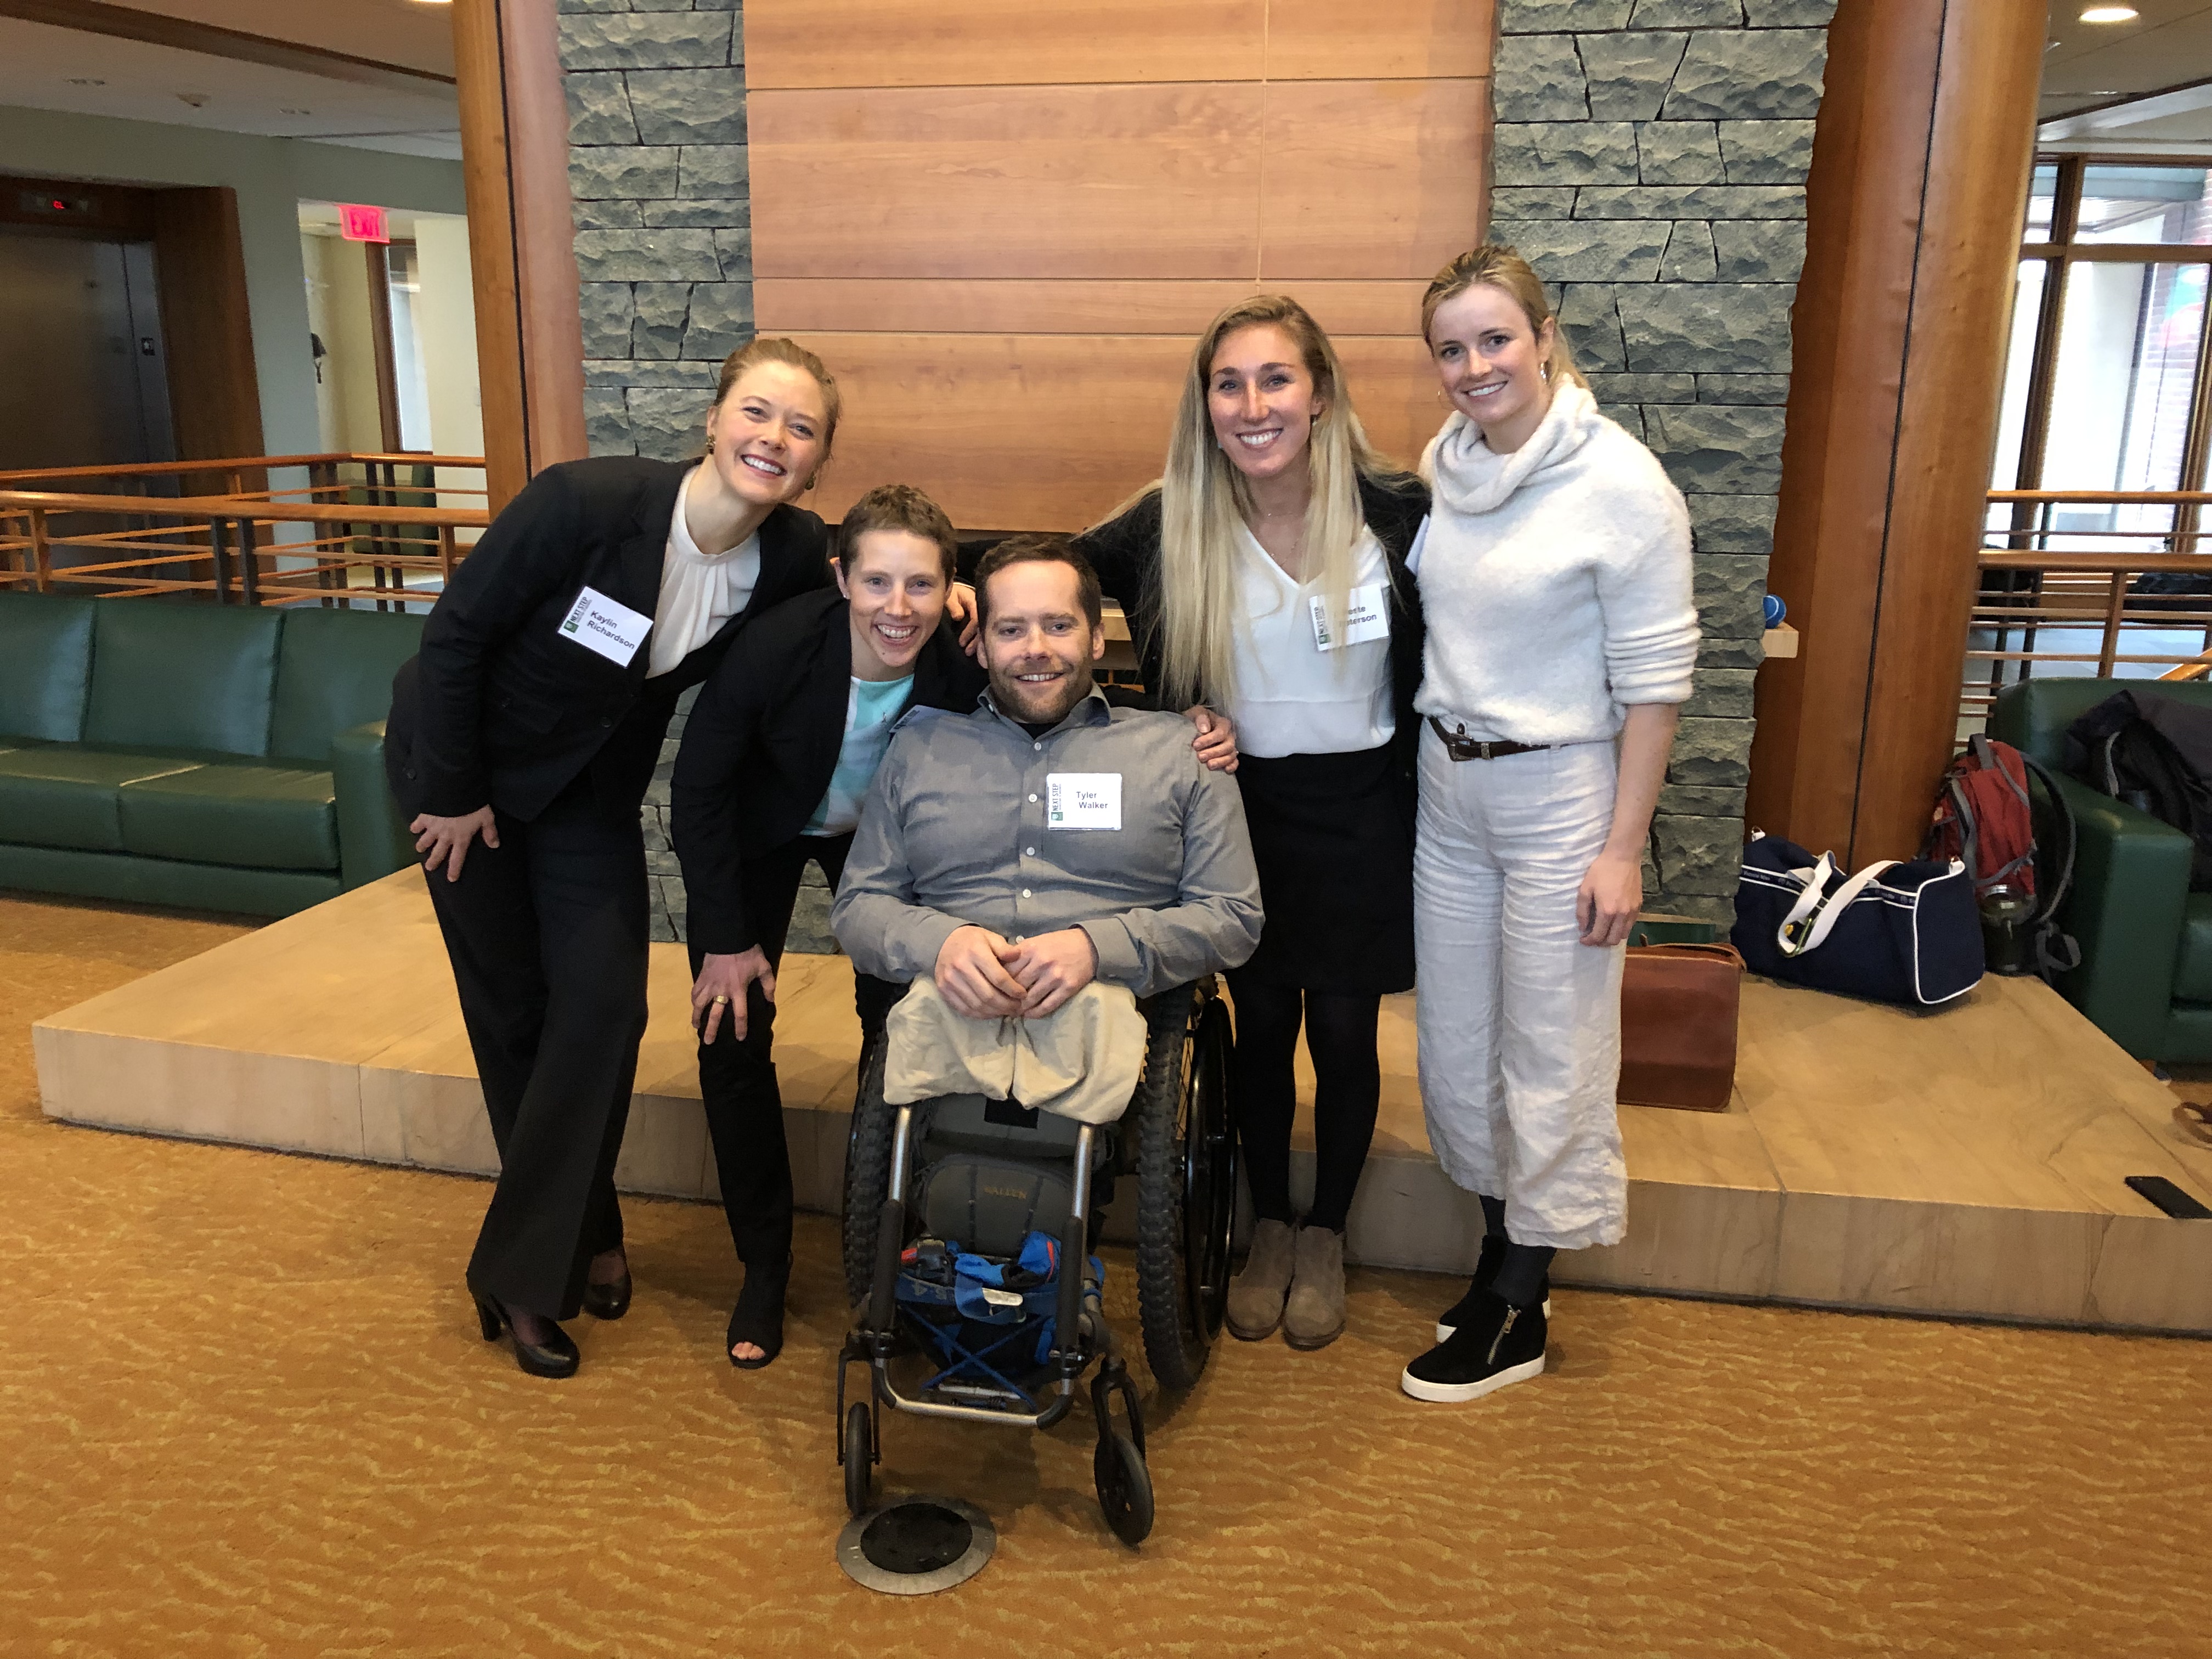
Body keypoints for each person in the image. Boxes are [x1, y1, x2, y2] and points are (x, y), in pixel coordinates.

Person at [386, 337, 856, 1379]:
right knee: (513, 1012)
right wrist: (455, 793)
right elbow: (454, 636)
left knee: (603, 1002)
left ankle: (546, 1238)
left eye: (801, 427)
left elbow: (863, 595)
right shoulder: (584, 503)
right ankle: (553, 1257)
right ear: (714, 417)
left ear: (818, 461)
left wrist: (954, 601)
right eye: (758, 412)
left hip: (588, 794)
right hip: (461, 769)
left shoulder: (786, 556)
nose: (773, 438)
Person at [1074, 296, 1427, 1351]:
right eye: (1228, 384)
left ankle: (1327, 1232)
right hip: (1243, 811)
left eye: (1275, 379)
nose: (1252, 403)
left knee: (1347, 1032)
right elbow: (1043, 581)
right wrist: (1164, 717)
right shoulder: (1167, 516)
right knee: (1263, 1027)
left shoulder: (1399, 509)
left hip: (1365, 807)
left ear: (1318, 392)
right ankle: (1268, 1223)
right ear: (1207, 405)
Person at [1396, 246, 1697, 1404]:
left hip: (1559, 796)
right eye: (1452, 349)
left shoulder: (1622, 486)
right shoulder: (1450, 465)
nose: (1475, 367)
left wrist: (1621, 849)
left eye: (1494, 340)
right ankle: (1497, 1259)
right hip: (1449, 785)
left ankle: (1522, 1300)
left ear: (1544, 336)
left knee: (1551, 1050)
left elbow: (1658, 683)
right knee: (1460, 1047)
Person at [670, 484, 985, 1369]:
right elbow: (696, 793)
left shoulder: (955, 662)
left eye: (921, 585)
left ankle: (891, 1242)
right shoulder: (775, 646)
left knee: (904, 1027)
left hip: (880, 846)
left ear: (949, 588)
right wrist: (728, 938)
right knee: (729, 1032)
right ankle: (763, 1262)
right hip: (759, 830)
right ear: (842, 576)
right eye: (877, 581)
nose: (898, 607)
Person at [831, 535, 1262, 1064]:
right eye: (1011, 630)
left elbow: (1233, 916)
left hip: (1122, 1027)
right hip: (946, 1020)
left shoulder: (1184, 752)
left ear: (1097, 639)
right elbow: (857, 906)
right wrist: (939, 943)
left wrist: (1097, 947)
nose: (1036, 647)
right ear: (983, 646)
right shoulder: (919, 749)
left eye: (1059, 626)